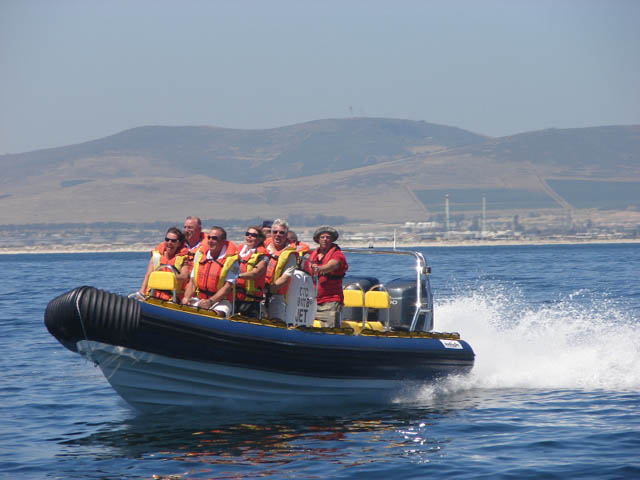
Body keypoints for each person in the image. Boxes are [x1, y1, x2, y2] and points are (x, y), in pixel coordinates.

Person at [181, 226, 239, 318]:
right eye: (209, 237)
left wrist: (210, 301)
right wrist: (186, 297)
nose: (210, 240)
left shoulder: (232, 261)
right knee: (185, 311)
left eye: (215, 238)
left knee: (217, 314)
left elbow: (227, 287)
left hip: (221, 301)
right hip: (199, 298)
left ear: (223, 241)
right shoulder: (200, 255)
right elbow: (192, 282)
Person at [308, 226, 348, 327]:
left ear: (332, 240)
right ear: (318, 239)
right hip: (312, 301)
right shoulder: (312, 254)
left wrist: (320, 269)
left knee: (331, 326)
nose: (325, 239)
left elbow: (332, 265)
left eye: (328, 237)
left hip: (331, 301)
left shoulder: (338, 255)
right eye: (322, 237)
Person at [138, 227, 189, 301]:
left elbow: (184, 276)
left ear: (179, 243)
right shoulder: (156, 256)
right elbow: (148, 275)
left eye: (173, 241)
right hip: (153, 295)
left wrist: (169, 277)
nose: (169, 243)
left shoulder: (183, 258)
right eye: (167, 240)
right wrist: (142, 290)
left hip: (172, 298)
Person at [264, 219, 298, 321]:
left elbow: (285, 278)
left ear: (286, 235)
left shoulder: (290, 255)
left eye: (281, 232)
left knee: (276, 319)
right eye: (275, 232)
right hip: (256, 293)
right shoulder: (261, 248)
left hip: (276, 294)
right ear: (271, 233)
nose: (278, 235)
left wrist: (268, 289)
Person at [235, 225, 269, 318]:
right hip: (235, 297)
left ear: (260, 239)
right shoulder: (237, 252)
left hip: (252, 302)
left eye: (253, 235)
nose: (249, 236)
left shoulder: (263, 256)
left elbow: (255, 273)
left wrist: (236, 276)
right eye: (248, 234)